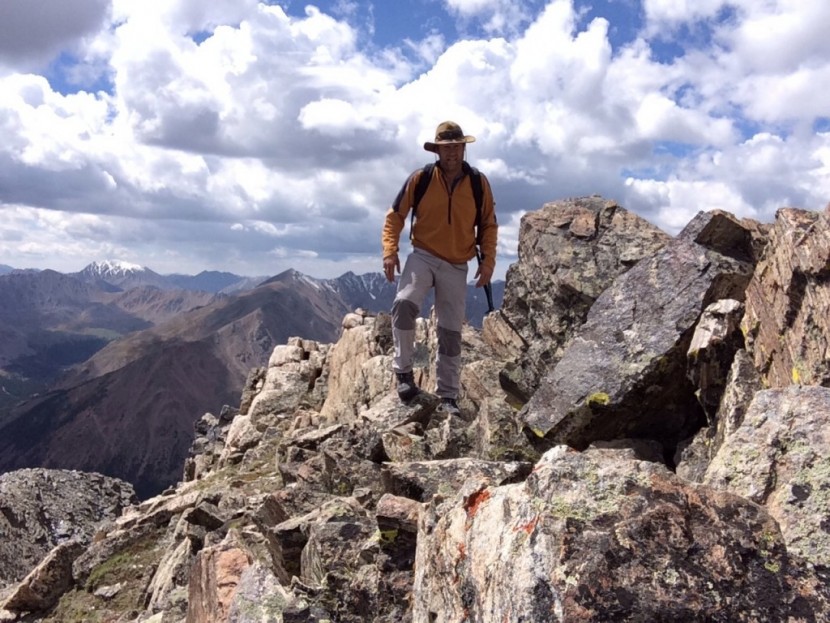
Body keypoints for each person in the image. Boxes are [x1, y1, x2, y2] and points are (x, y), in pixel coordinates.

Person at [381, 120, 498, 415]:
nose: (452, 154)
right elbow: (395, 215)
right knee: (405, 303)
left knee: (449, 330)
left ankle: (448, 396)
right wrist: (390, 252)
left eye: (457, 147)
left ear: (464, 149)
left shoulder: (477, 182)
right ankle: (404, 373)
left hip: (458, 263)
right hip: (423, 253)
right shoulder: (421, 178)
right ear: (437, 151)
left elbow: (488, 224)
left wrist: (488, 262)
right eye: (447, 149)